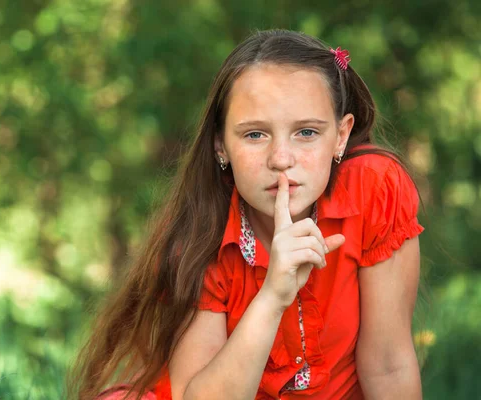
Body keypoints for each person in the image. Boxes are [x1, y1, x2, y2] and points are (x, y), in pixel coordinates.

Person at [67, 29, 424, 400]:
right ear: (221, 145)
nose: (281, 159)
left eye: (306, 132)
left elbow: (388, 364)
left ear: (340, 135)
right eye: (255, 135)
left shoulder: (376, 190)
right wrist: (272, 296)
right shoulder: (198, 240)